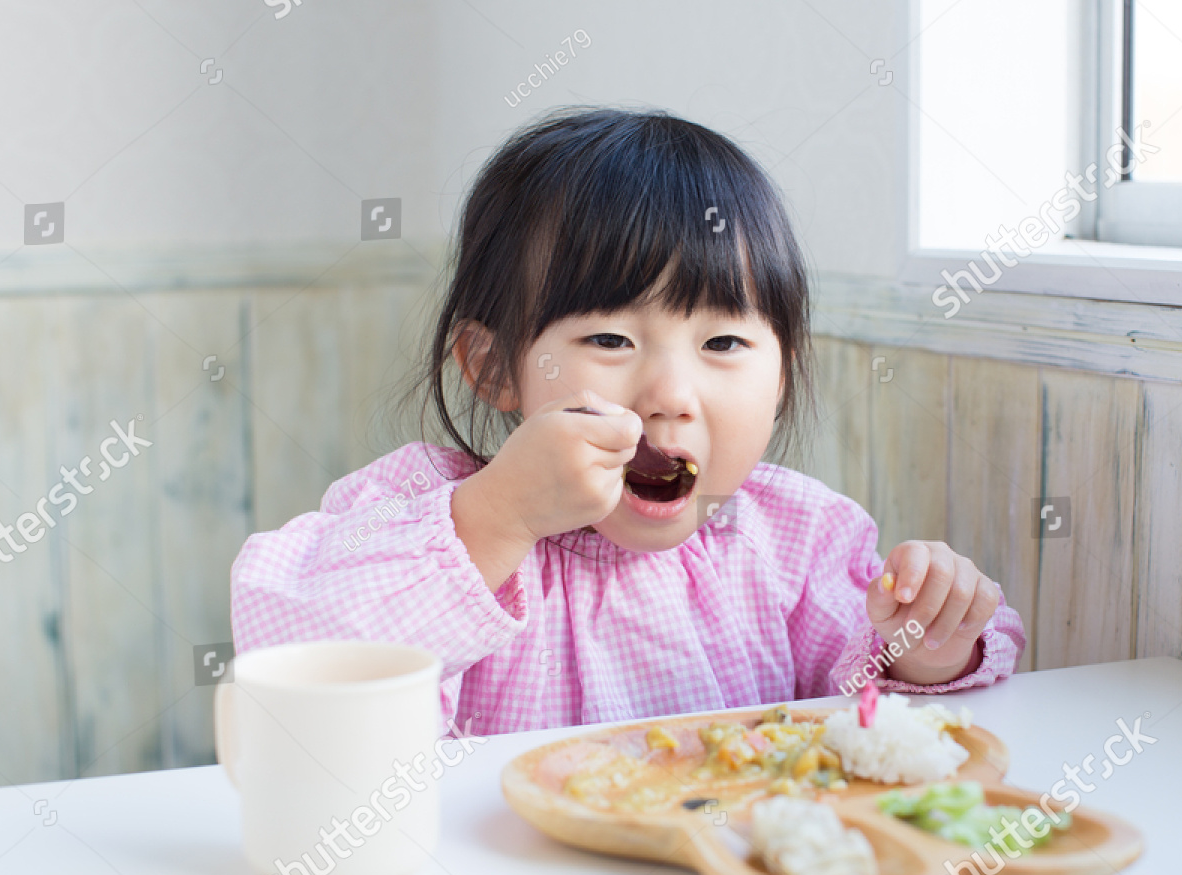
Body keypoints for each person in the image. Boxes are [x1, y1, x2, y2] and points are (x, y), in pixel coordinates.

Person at [230, 107, 1025, 738]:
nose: (669, 394)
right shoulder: (428, 508)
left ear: (781, 377)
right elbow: (287, 637)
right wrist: (493, 518)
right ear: (495, 365)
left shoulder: (794, 540)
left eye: (722, 342)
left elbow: (869, 698)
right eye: (609, 339)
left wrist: (926, 645)